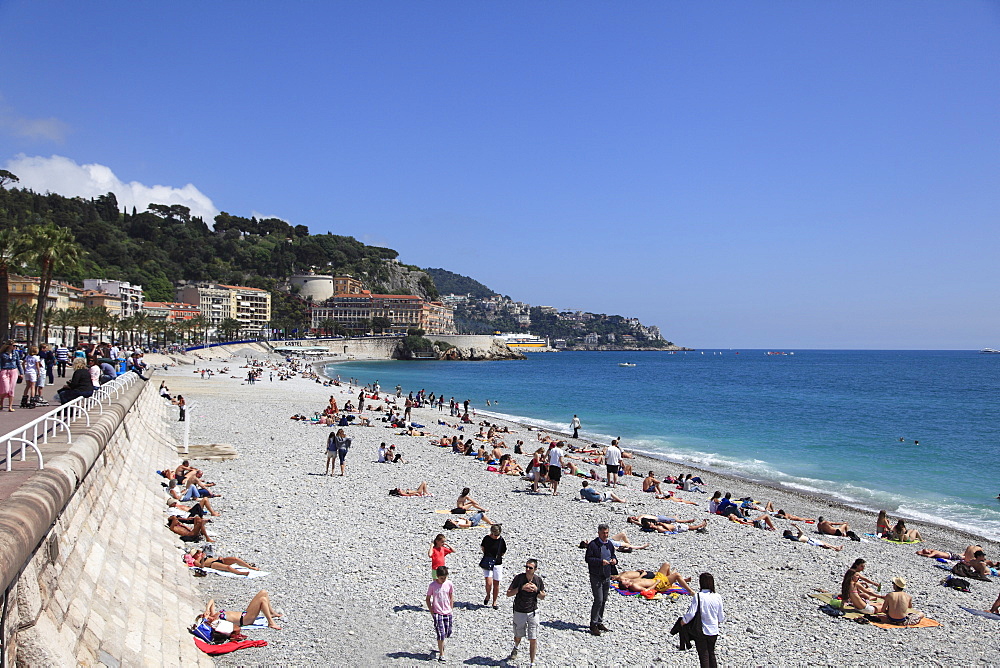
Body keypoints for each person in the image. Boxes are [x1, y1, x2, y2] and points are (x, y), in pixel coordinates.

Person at [506, 558, 546, 665]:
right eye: (526, 567)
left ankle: (532, 663)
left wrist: (536, 590)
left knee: (533, 638)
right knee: (518, 636)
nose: (527, 569)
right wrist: (521, 588)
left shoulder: (538, 580)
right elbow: (508, 593)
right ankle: (516, 647)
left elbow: (543, 596)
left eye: (530, 568)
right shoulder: (519, 578)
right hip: (519, 611)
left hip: (533, 612)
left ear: (535, 569)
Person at [682, 572, 725, 668]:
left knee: (704, 656)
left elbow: (691, 613)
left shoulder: (698, 596)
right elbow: (721, 617)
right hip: (714, 631)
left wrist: (683, 621)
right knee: (711, 654)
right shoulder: (717, 596)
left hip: (701, 630)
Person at [585, 523, 617, 636]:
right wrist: (600, 562)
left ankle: (599, 621)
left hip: (606, 575)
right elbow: (588, 559)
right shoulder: (593, 545)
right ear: (599, 533)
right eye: (603, 533)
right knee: (598, 599)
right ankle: (593, 624)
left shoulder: (610, 544)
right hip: (596, 575)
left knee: (604, 600)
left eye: (607, 533)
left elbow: (613, 555)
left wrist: (614, 560)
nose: (605, 535)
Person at [196, 590, 282, 632]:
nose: (206, 616)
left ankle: (271, 612)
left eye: (202, 615)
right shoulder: (214, 623)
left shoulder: (214, 614)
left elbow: (212, 600)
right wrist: (206, 619)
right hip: (245, 620)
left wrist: (207, 610)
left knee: (263, 592)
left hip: (244, 613)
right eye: (204, 618)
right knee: (262, 600)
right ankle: (271, 622)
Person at [426, 566, 454, 662]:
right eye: (441, 578)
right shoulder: (432, 585)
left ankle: (441, 646)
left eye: (445, 578)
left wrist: (451, 607)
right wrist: (431, 610)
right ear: (437, 576)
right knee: (440, 634)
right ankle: (442, 654)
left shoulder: (449, 584)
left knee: (447, 632)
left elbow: (451, 595)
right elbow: (428, 598)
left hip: (448, 612)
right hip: (437, 612)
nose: (443, 580)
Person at [613, 562, 695, 594]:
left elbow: (640, 579)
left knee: (666, 564)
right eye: (625, 581)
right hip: (658, 584)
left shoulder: (632, 581)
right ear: (627, 586)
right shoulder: (634, 586)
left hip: (656, 579)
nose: (626, 580)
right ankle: (690, 591)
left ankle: (670, 579)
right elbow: (647, 590)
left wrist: (642, 574)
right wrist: (656, 583)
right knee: (677, 575)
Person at [481, 524, 507, 608]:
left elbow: (503, 551)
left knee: (496, 583)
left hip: (497, 563)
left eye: (497, 535)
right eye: (495, 534)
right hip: (488, 562)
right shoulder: (486, 538)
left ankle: (494, 602)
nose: (496, 536)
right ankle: (488, 595)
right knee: (488, 582)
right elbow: (483, 548)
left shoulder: (501, 540)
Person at [189, 548, 260, 575]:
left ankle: (250, 567)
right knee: (228, 567)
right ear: (195, 555)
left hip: (217, 560)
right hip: (213, 564)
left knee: (235, 559)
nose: (199, 553)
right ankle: (241, 573)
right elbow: (202, 566)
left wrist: (219, 558)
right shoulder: (196, 561)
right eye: (197, 553)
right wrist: (202, 558)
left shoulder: (202, 555)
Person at [0, 340, 20, 412]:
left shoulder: (16, 353)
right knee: (5, 389)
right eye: (14, 346)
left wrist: (21, 372)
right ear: (9, 346)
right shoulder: (2, 354)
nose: (15, 347)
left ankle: (10, 406)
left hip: (13, 371)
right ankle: (1, 400)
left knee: (11, 390)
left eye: (16, 346)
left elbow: (18, 363)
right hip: (4, 371)